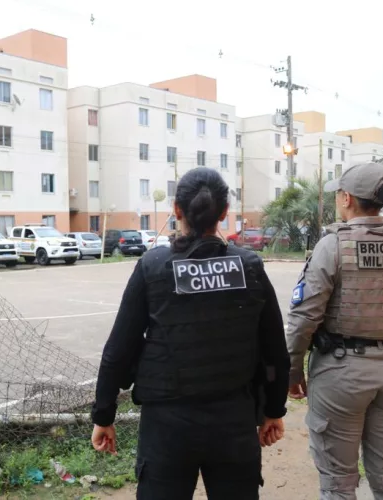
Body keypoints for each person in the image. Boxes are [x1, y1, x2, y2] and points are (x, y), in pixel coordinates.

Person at [91, 167, 290, 499]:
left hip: (168, 427)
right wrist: (274, 410)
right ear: (224, 213)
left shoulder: (153, 267)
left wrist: (103, 416)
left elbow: (118, 350)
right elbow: (275, 349)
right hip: (233, 422)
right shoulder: (249, 267)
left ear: (176, 209)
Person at [286, 161, 383, 500]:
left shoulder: (334, 245)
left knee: (338, 484)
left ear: (347, 198)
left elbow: (304, 317)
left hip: (342, 373)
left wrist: (292, 371)